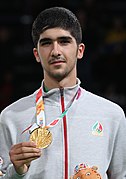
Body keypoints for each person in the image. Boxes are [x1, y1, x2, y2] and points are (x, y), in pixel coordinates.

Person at [0, 7, 126, 179]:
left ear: (80, 50)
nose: (55, 51)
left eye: (64, 41)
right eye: (46, 43)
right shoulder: (10, 117)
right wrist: (17, 172)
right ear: (36, 54)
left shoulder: (112, 115)